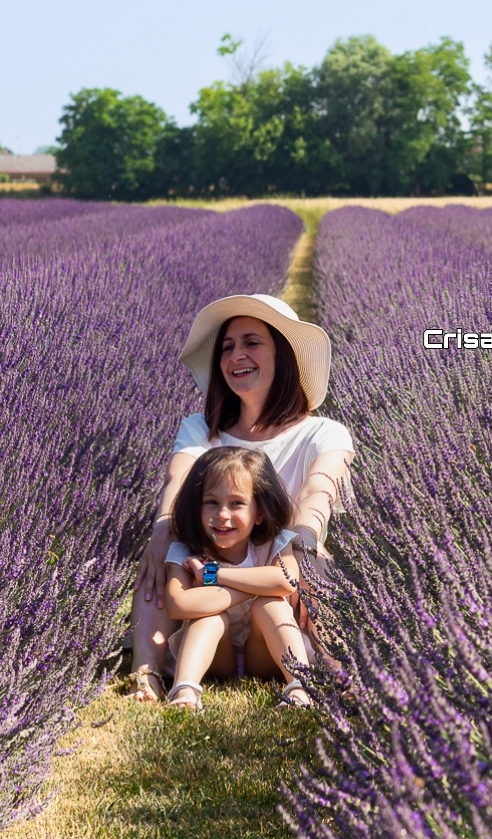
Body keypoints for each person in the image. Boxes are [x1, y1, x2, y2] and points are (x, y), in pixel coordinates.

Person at [128, 293, 354, 703]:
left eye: (252, 342)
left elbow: (319, 490)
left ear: (282, 355)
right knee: (163, 552)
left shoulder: (325, 433)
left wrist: (300, 547)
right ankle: (147, 675)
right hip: (206, 595)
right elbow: (178, 482)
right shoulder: (201, 428)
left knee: (314, 568)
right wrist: (161, 531)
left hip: (278, 587)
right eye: (228, 347)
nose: (237, 355)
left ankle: (331, 670)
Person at [161, 446, 315, 709]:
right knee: (210, 615)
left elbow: (286, 580)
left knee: (270, 604)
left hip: (267, 654)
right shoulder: (187, 550)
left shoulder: (274, 543)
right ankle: (184, 690)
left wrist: (215, 575)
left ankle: (299, 687)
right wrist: (259, 586)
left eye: (237, 504)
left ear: (260, 513)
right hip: (215, 657)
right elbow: (178, 604)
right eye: (211, 502)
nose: (222, 514)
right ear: (196, 506)